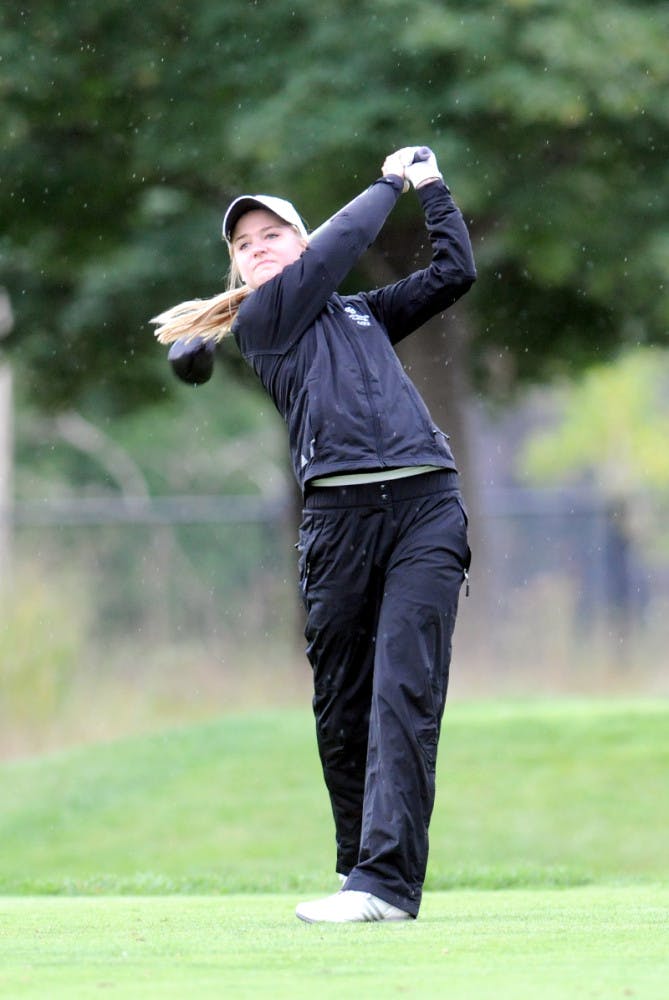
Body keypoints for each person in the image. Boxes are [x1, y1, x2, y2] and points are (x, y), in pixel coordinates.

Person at [151, 146, 476, 923]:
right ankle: (355, 866)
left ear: (299, 243)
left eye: (273, 235)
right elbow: (340, 245)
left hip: (426, 507)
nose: (258, 248)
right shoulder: (266, 320)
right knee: (342, 702)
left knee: (404, 691)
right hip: (338, 524)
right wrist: (389, 180)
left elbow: (453, 272)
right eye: (244, 244)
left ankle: (385, 886)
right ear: (238, 268)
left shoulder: (362, 313)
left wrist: (431, 186)